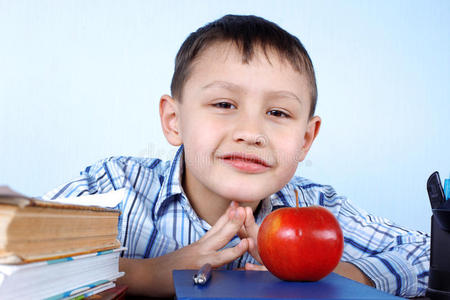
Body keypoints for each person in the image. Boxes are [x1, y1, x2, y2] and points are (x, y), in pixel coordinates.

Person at [43, 15, 430, 298]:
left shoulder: (316, 208)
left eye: (278, 113)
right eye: (225, 103)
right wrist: (149, 274)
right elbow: (19, 259)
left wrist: (331, 273)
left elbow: (430, 253)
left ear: (306, 139)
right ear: (174, 120)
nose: (252, 132)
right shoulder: (116, 187)